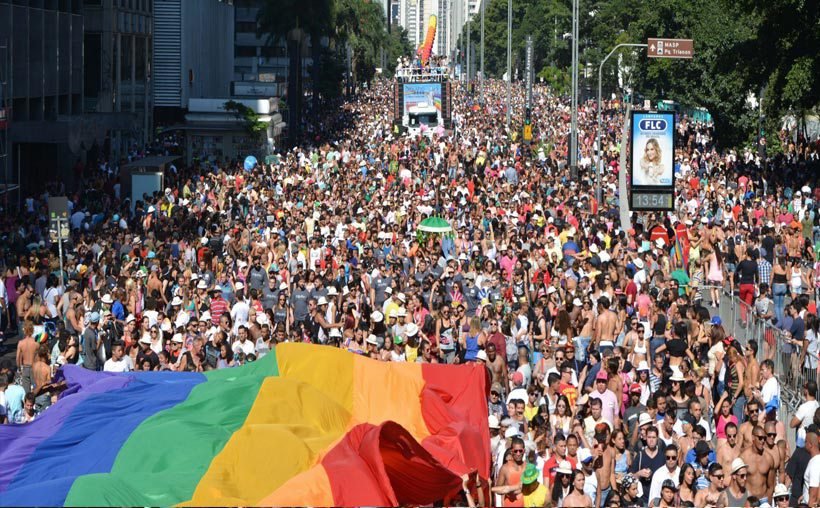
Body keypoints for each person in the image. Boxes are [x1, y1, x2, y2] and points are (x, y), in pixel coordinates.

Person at [740, 424, 776, 502]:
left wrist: (767, 503)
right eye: (760, 438)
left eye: (764, 438)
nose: (763, 441)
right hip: (748, 501)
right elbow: (738, 482)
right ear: (753, 438)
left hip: (763, 500)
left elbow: (771, 486)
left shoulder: (769, 458)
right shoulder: (744, 457)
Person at [493, 436, 527, 507]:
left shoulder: (528, 467)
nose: (518, 453)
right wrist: (511, 489)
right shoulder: (505, 468)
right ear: (512, 451)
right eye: (516, 451)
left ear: (524, 451)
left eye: (520, 451)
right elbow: (496, 489)